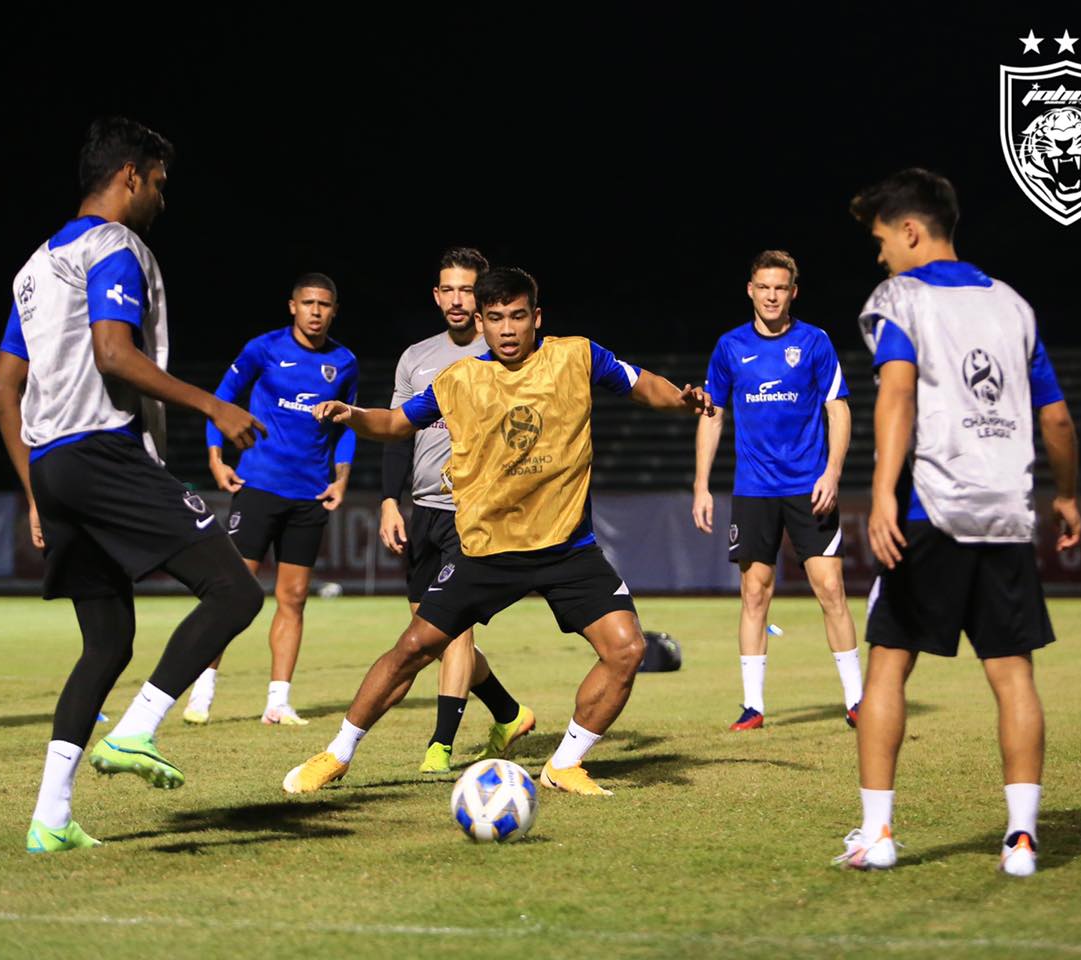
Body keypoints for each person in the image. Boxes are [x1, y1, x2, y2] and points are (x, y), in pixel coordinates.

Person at [282, 267, 712, 797]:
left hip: (566, 547)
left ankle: (564, 764)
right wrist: (353, 415)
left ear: (537, 317)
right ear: (481, 324)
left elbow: (641, 384)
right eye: (495, 319)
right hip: (487, 549)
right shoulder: (460, 380)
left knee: (626, 649)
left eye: (516, 316)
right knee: (413, 649)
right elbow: (395, 425)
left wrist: (681, 398)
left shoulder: (576, 355)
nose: (507, 329)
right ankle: (337, 754)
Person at [0, 116, 266, 854]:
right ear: (130, 177)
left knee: (108, 639)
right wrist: (212, 403)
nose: (161, 199)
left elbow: (2, 387)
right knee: (236, 589)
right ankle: (137, 731)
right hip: (104, 453)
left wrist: (32, 489)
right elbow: (114, 355)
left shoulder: (32, 268)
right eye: (160, 183)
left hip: (53, 465)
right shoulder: (117, 247)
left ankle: (50, 818)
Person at [835, 168, 1081, 876]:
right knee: (1013, 676)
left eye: (882, 239)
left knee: (888, 667)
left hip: (932, 511)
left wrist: (882, 492)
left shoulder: (900, 297)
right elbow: (1057, 419)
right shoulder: (1013, 305)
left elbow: (898, 393)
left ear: (911, 231)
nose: (880, 254)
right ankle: (1023, 839)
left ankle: (878, 836)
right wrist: (1065, 496)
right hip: (1006, 515)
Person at [379, 247, 535, 774]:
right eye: (447, 289)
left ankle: (440, 746)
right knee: (431, 632)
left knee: (453, 630)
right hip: (423, 510)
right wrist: (387, 502)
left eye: (467, 289)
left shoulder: (504, 357)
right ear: (436, 295)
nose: (456, 299)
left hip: (472, 513)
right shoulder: (415, 358)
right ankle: (509, 713)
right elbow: (397, 435)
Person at [693, 251, 861, 730]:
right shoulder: (729, 347)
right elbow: (713, 414)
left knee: (831, 588)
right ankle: (753, 707)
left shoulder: (815, 342)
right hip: (753, 491)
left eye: (780, 288)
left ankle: (857, 700)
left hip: (809, 488)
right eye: (763, 287)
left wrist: (831, 473)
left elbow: (839, 409)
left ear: (793, 293)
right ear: (750, 289)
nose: (771, 296)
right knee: (754, 593)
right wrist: (701, 484)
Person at [182, 274, 358, 727]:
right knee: (233, 592)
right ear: (292, 306)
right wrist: (216, 459)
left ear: (334, 310)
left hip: (310, 495)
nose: (316, 311)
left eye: (324, 305)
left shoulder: (344, 362)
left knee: (294, 597)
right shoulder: (263, 349)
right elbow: (221, 399)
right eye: (308, 303)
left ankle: (277, 702)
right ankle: (202, 690)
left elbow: (346, 426)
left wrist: (341, 480)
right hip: (258, 487)